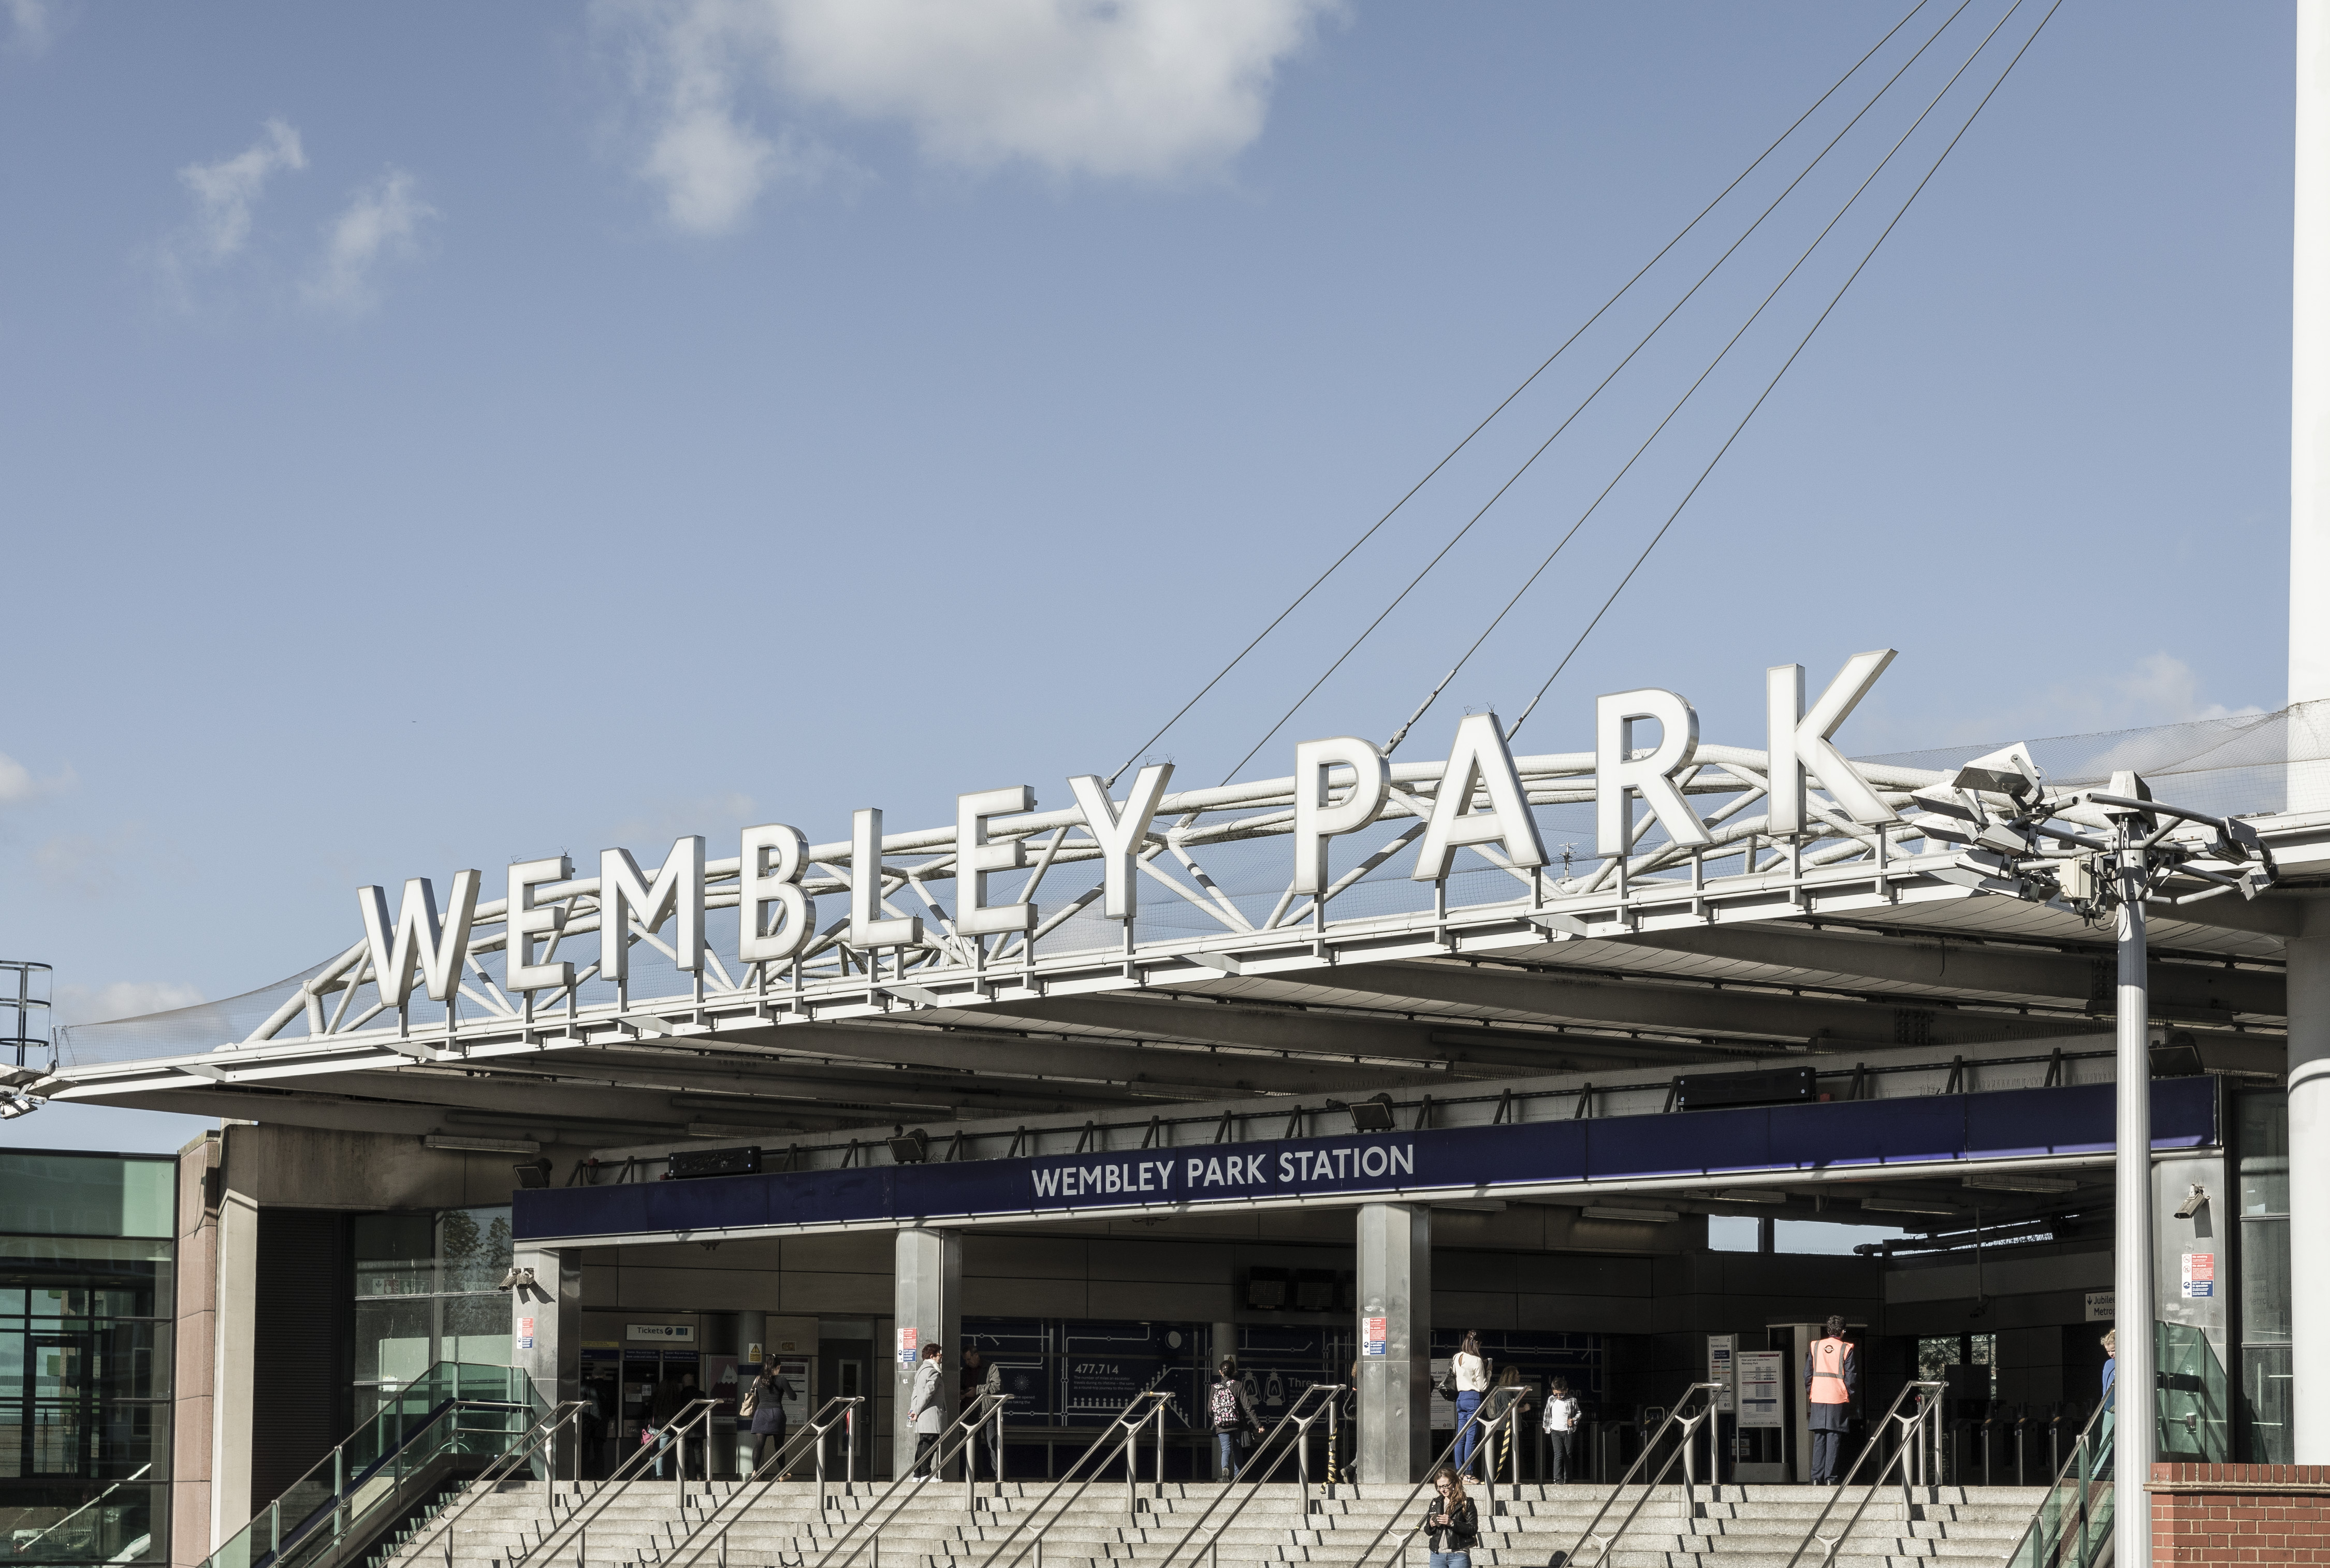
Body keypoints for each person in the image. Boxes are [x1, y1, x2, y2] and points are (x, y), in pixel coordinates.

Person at [1804, 1316, 1857, 1485]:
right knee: (1834, 1438)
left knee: (1819, 1438)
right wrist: (1849, 1393)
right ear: (1843, 1331)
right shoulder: (1846, 1348)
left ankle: (1815, 1478)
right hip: (1837, 1397)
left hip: (1818, 1396)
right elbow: (1851, 1377)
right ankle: (1830, 1478)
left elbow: (1808, 1374)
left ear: (1828, 1331)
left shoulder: (1816, 1346)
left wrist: (1811, 1391)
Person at [1208, 1357, 1264, 1480]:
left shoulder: (1215, 1387)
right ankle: (1238, 1477)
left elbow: (1210, 1410)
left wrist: (1220, 1416)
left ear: (1220, 1372)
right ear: (1234, 1372)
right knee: (1237, 1450)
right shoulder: (1238, 1386)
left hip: (1221, 1425)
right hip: (1236, 1424)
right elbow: (1248, 1408)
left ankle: (1225, 1471)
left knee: (1226, 1449)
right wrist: (1258, 1425)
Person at [1420, 1465, 1479, 1568]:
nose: (1442, 1490)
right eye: (1439, 1487)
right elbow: (1428, 1531)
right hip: (1437, 1554)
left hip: (1459, 1554)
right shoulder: (1436, 1502)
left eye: (1445, 1486)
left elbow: (1473, 1528)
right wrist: (1431, 1525)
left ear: (1454, 1483)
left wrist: (1452, 1523)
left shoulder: (1466, 1502)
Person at [959, 1347, 1004, 1480]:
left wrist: (978, 1390)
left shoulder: (991, 1368)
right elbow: (959, 1386)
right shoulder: (964, 1371)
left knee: (993, 1444)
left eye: (969, 1359)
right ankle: (977, 1478)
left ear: (976, 1355)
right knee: (973, 1447)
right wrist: (962, 1394)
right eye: (965, 1360)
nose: (967, 1362)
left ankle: (1001, 1476)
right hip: (970, 1413)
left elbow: (997, 1387)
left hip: (987, 1412)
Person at [1480, 1367, 1530, 1483]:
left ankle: (1512, 1478)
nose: (1519, 1377)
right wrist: (1525, 1409)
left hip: (1512, 1427)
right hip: (1504, 1429)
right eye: (1517, 1375)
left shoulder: (1511, 1390)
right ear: (1511, 1377)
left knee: (1514, 1454)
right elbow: (1510, 1409)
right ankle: (1499, 1480)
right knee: (1502, 1456)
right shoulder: (1504, 1392)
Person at [745, 1362, 795, 1476]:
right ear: (778, 1367)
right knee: (779, 1445)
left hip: (761, 1413)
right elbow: (793, 1397)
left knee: (759, 1444)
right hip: (777, 1413)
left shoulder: (758, 1380)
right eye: (779, 1367)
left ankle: (755, 1472)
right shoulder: (782, 1380)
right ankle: (782, 1474)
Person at [1450, 1332, 1490, 1472]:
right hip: (1473, 1398)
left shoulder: (1457, 1357)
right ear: (1478, 1344)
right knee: (1471, 1438)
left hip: (1460, 1398)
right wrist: (1488, 1371)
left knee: (1460, 1437)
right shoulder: (1477, 1360)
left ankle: (1459, 1472)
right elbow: (1481, 1387)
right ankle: (1469, 1473)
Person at [908, 1342, 947, 1478]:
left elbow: (916, 1393)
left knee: (923, 1443)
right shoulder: (933, 1372)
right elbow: (928, 1394)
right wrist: (917, 1411)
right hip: (931, 1414)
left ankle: (917, 1474)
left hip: (922, 1413)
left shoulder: (920, 1371)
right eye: (939, 1355)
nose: (941, 1357)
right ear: (933, 1356)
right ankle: (926, 1474)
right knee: (930, 1443)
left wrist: (914, 1409)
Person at [1540, 1375, 1581, 1484]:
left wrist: (1574, 1420)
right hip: (1555, 1431)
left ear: (1566, 1391)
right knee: (1558, 1454)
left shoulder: (1572, 1400)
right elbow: (1547, 1413)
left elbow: (1579, 1413)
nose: (1559, 1396)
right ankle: (1557, 1478)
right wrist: (1546, 1425)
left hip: (1568, 1431)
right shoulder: (1551, 1400)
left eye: (1561, 1394)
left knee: (1568, 1454)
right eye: (1556, 1394)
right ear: (1553, 1391)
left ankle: (1568, 1478)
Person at [2099, 1330, 2117, 1407]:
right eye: (2108, 1351)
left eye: (2113, 1351)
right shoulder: (2109, 1364)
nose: (2111, 1354)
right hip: (2108, 1405)